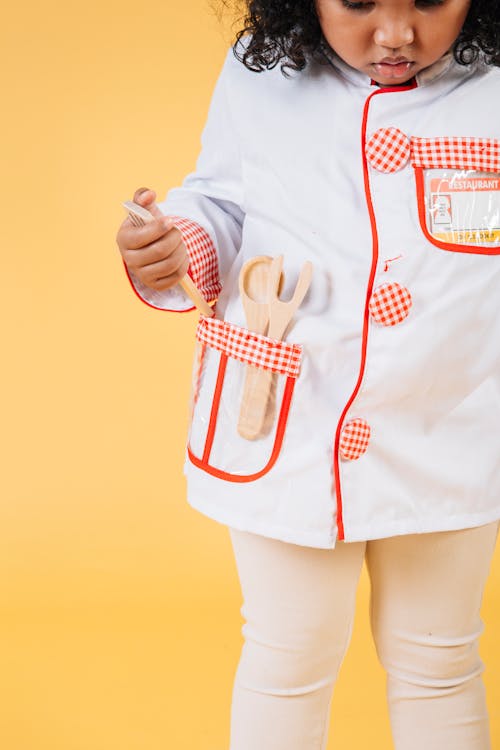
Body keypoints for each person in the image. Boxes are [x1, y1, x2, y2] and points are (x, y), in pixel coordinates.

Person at [115, 0, 500, 747]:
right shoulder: (264, 78)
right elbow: (222, 203)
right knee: (288, 654)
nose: (396, 33)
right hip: (290, 423)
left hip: (450, 422)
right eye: (358, 2)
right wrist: (176, 243)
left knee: (440, 660)